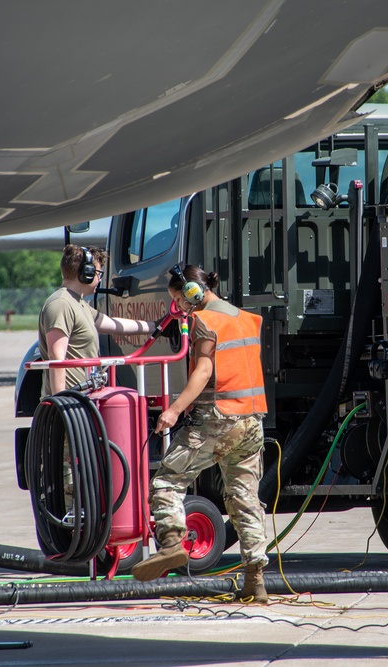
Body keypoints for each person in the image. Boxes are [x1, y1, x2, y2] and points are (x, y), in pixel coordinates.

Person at [130, 264, 270, 604]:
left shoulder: (206, 320)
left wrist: (175, 409)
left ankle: (172, 544)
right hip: (251, 423)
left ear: (193, 292)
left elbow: (205, 369)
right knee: (244, 499)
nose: (178, 307)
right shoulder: (247, 318)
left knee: (166, 482)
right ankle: (256, 580)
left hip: (217, 419)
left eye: (178, 298)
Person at [38, 245, 156, 396]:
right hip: (70, 404)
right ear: (86, 273)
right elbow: (57, 358)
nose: (100, 278)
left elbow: (114, 325)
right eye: (99, 273)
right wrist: (61, 402)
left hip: (81, 400)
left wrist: (156, 326)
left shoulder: (78, 304)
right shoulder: (61, 303)